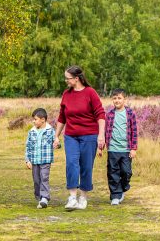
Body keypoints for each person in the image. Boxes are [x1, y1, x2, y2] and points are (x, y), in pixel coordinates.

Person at [54, 65, 106, 211]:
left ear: (76, 79)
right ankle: (72, 197)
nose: (66, 81)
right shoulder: (66, 94)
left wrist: (101, 135)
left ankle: (83, 196)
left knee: (86, 166)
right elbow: (62, 117)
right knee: (71, 163)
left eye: (68, 78)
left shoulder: (90, 93)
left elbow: (100, 115)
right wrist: (56, 135)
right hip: (71, 136)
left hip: (89, 135)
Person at [104, 88, 137, 205]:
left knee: (126, 172)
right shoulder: (109, 114)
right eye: (114, 98)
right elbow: (105, 131)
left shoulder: (130, 114)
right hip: (113, 148)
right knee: (113, 172)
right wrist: (101, 147)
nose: (117, 100)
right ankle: (115, 196)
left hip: (126, 149)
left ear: (124, 99)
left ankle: (123, 187)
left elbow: (134, 132)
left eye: (119, 98)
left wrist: (133, 148)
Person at [25, 108, 55, 209]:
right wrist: (27, 160)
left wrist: (57, 144)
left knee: (44, 178)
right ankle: (39, 196)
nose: (33, 121)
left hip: (45, 160)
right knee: (36, 180)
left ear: (43, 120)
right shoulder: (31, 132)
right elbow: (28, 146)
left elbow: (56, 142)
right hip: (34, 160)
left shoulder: (50, 131)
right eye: (33, 119)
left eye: (35, 119)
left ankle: (45, 198)